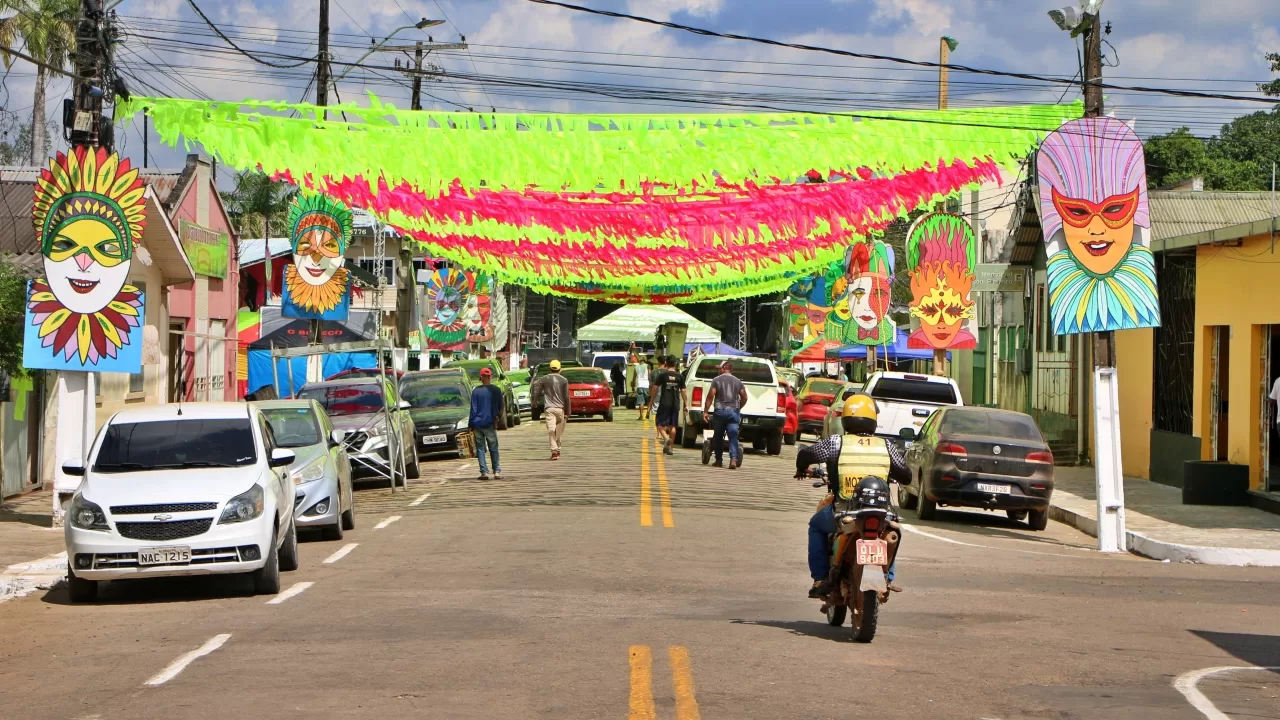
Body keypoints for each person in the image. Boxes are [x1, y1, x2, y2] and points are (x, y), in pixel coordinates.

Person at [794, 395, 910, 598]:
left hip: (844, 512)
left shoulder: (835, 443)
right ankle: (888, 578)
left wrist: (801, 468)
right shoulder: (886, 446)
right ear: (873, 420)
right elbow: (906, 476)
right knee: (893, 533)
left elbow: (806, 455)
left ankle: (821, 578)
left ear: (845, 419)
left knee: (816, 526)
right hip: (881, 514)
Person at [702, 360, 748, 469]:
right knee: (733, 435)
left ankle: (718, 460)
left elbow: (710, 396)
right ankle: (733, 460)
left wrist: (705, 411)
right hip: (733, 411)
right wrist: (738, 407)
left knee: (718, 436)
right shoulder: (738, 381)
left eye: (719, 368)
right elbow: (744, 397)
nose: (718, 370)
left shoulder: (716, 380)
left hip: (720, 411)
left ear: (724, 368)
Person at [469, 367, 504, 480]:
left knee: (480, 448)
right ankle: (496, 471)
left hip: (478, 424)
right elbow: (501, 407)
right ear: (490, 377)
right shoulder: (496, 390)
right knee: (493, 447)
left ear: (481, 378)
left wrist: (470, 424)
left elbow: (473, 409)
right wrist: (497, 417)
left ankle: (484, 472)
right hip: (490, 423)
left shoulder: (475, 391)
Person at [533, 359, 571, 460]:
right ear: (560, 369)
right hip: (560, 409)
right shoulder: (564, 380)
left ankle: (556, 450)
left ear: (550, 368)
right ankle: (555, 450)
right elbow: (567, 397)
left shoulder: (544, 379)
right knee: (558, 431)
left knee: (551, 430)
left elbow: (537, 391)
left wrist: (535, 401)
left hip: (550, 408)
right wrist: (568, 410)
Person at [652, 355, 687, 454]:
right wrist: (686, 404)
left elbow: (655, 388)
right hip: (675, 403)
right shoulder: (680, 376)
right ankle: (670, 448)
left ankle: (666, 438)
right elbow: (683, 391)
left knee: (659, 423)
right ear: (676, 364)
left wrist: (651, 401)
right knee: (673, 425)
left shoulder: (663, 375)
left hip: (664, 402)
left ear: (666, 363)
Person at [635, 356, 652, 421]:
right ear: (645, 360)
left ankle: (641, 415)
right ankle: (648, 413)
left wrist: (633, 384)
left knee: (641, 402)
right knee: (648, 401)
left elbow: (634, 377)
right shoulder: (648, 366)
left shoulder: (636, 367)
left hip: (639, 385)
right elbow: (650, 375)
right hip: (647, 385)